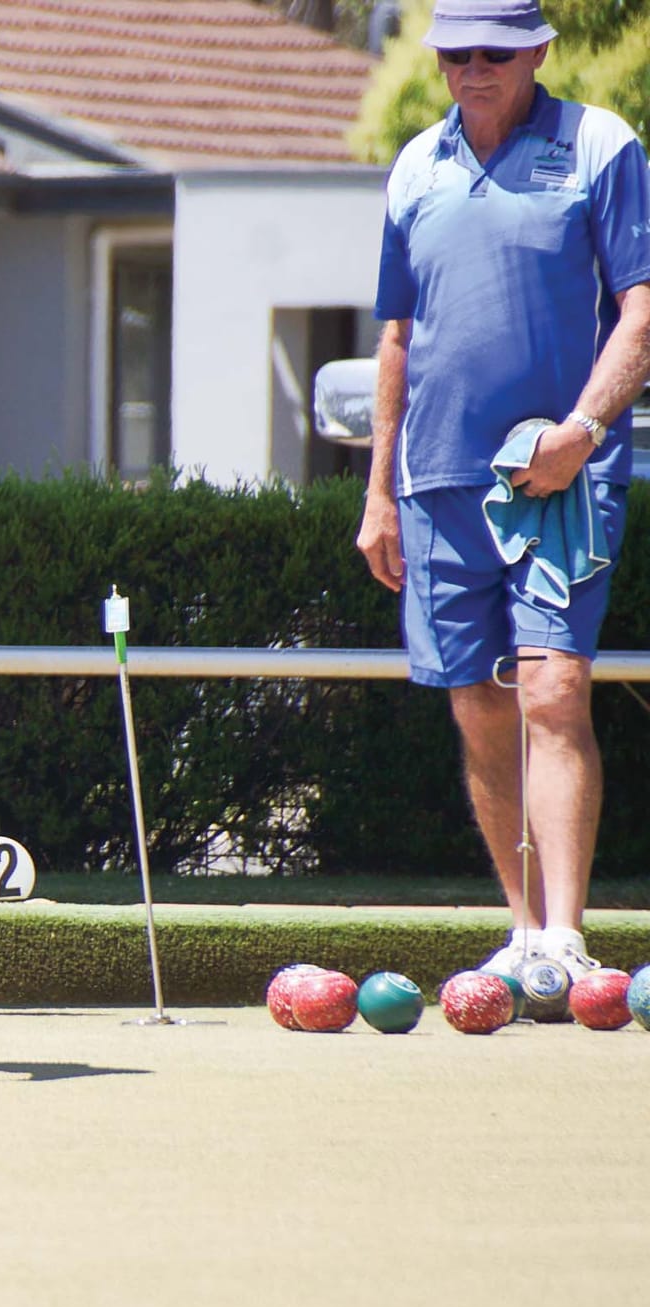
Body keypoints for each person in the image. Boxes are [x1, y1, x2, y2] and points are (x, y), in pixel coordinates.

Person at [357, 0, 650, 982]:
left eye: (492, 51)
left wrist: (582, 430)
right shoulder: (413, 167)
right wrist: (376, 493)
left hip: (558, 474)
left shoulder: (597, 144)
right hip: (435, 479)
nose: (469, 68)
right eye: (452, 53)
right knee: (479, 707)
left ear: (534, 53)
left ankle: (565, 932)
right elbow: (395, 338)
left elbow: (638, 314)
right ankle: (522, 930)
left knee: (552, 688)